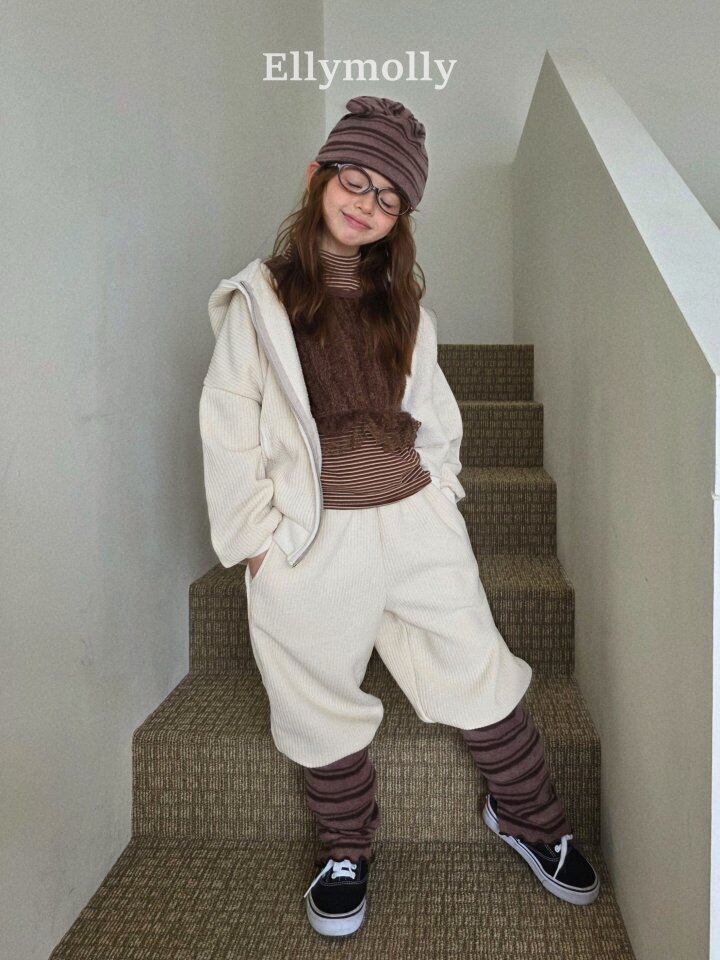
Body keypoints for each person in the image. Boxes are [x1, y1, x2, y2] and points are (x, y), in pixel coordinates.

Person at [199, 95, 600, 939]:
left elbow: (435, 416)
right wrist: (257, 547)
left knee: (478, 665)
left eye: (389, 197)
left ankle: (529, 818)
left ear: (400, 217)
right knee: (315, 695)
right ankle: (346, 848)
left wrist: (439, 493)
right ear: (318, 178)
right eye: (355, 181)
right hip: (314, 538)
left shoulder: (404, 305)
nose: (367, 204)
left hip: (414, 524)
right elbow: (229, 426)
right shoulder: (260, 301)